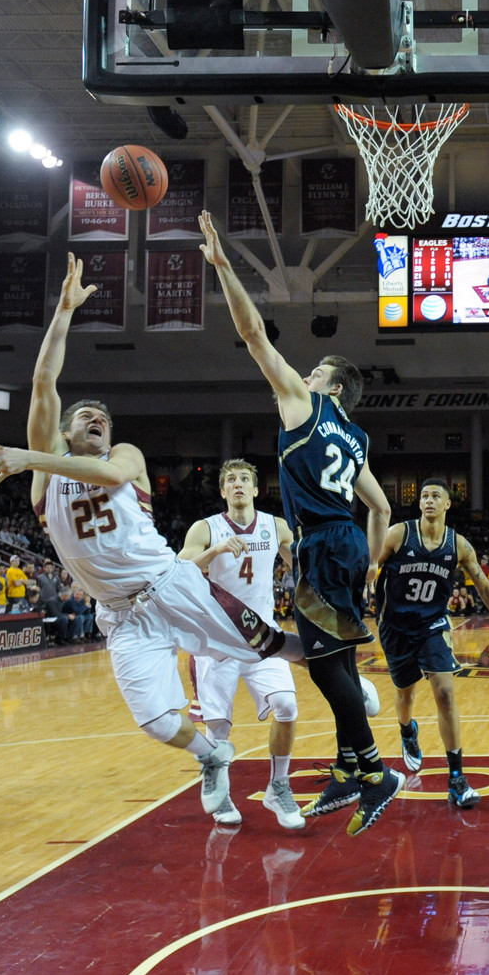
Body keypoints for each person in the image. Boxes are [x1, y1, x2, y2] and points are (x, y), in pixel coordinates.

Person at [0, 252, 303, 820]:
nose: (97, 420)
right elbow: (44, 381)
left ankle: (349, 686)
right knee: (155, 721)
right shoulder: (48, 473)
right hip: (121, 614)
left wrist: (28, 457)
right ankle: (212, 756)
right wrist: (63, 311)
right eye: (85, 417)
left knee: (274, 647)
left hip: (171, 585)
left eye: (102, 417)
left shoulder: (123, 455)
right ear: (63, 432)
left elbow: (111, 476)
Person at [198, 210, 403, 837]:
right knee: (338, 658)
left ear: (332, 389)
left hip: (322, 542)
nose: (304, 375)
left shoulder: (309, 405)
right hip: (346, 541)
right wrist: (372, 565)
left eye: (315, 373)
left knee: (322, 664)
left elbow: (253, 334)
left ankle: (375, 772)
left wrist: (224, 266)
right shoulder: (358, 438)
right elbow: (382, 508)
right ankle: (346, 768)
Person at [375, 479, 489, 808]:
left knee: (444, 692)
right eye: (424, 496)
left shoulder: (458, 545)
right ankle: (407, 730)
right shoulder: (399, 534)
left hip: (433, 623)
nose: (428, 500)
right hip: (395, 626)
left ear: (447, 504)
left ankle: (457, 778)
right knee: (405, 695)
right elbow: (372, 565)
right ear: (420, 504)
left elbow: (484, 587)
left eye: (435, 496)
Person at [180, 458, 305, 830]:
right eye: (231, 479)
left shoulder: (274, 525)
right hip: (217, 640)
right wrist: (215, 552)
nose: (238, 484)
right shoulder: (206, 528)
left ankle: (278, 787)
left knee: (287, 706)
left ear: (255, 489)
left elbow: (303, 567)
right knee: (218, 726)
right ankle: (219, 790)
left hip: (262, 637)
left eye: (245, 479)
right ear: (223, 491)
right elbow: (178, 572)